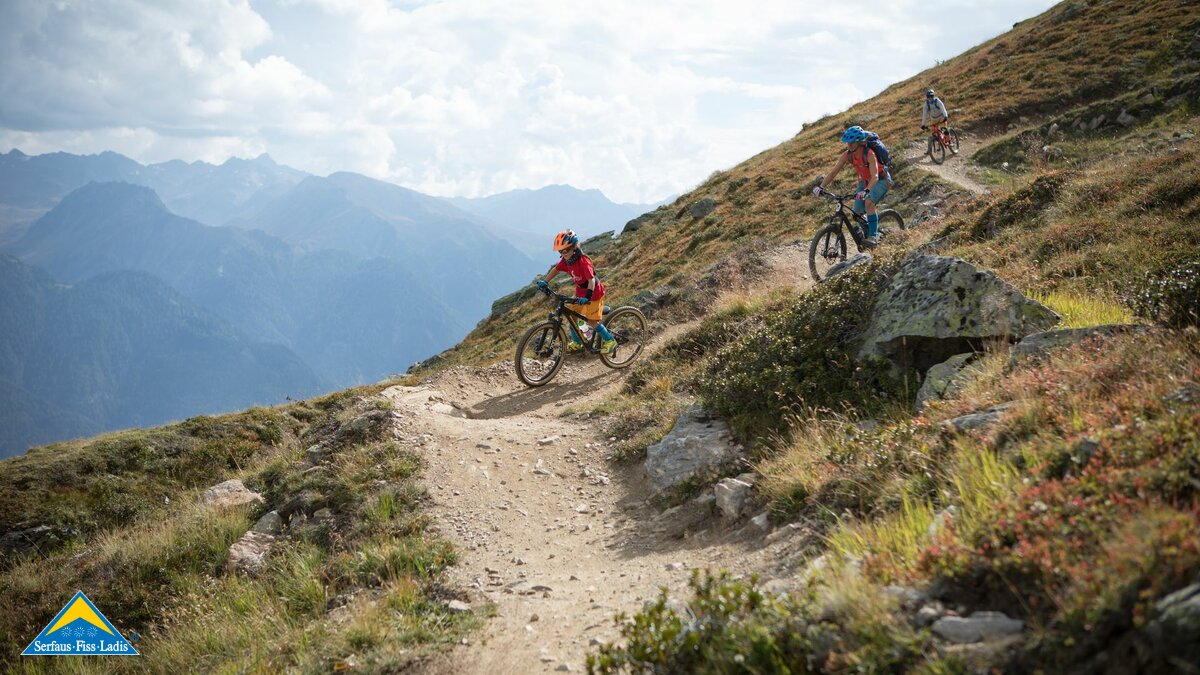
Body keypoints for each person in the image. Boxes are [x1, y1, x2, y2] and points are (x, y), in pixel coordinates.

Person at [536, 230, 617, 354]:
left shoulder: (583, 261)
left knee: (592, 321)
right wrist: (545, 281)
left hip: (594, 293)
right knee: (572, 317)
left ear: (574, 247)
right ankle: (578, 343)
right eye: (561, 251)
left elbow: (591, 280)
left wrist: (588, 296)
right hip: (580, 291)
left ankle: (611, 341)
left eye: (566, 250)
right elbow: (556, 270)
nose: (564, 254)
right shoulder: (566, 260)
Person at [812, 125, 891, 247]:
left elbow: (874, 176)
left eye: (851, 143)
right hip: (865, 181)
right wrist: (821, 187)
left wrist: (866, 191)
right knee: (857, 212)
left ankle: (873, 237)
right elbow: (833, 173)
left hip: (881, 180)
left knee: (869, 202)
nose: (848, 146)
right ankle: (867, 231)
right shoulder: (847, 155)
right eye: (847, 143)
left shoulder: (869, 154)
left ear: (859, 143)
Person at [921, 88, 954, 153]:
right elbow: (924, 115)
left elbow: (943, 108)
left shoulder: (937, 101)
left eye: (931, 96)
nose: (930, 98)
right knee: (934, 134)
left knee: (945, 130)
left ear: (933, 96)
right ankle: (929, 150)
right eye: (928, 96)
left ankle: (949, 142)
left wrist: (945, 116)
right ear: (927, 97)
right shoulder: (926, 104)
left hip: (941, 117)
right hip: (934, 119)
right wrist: (923, 125)